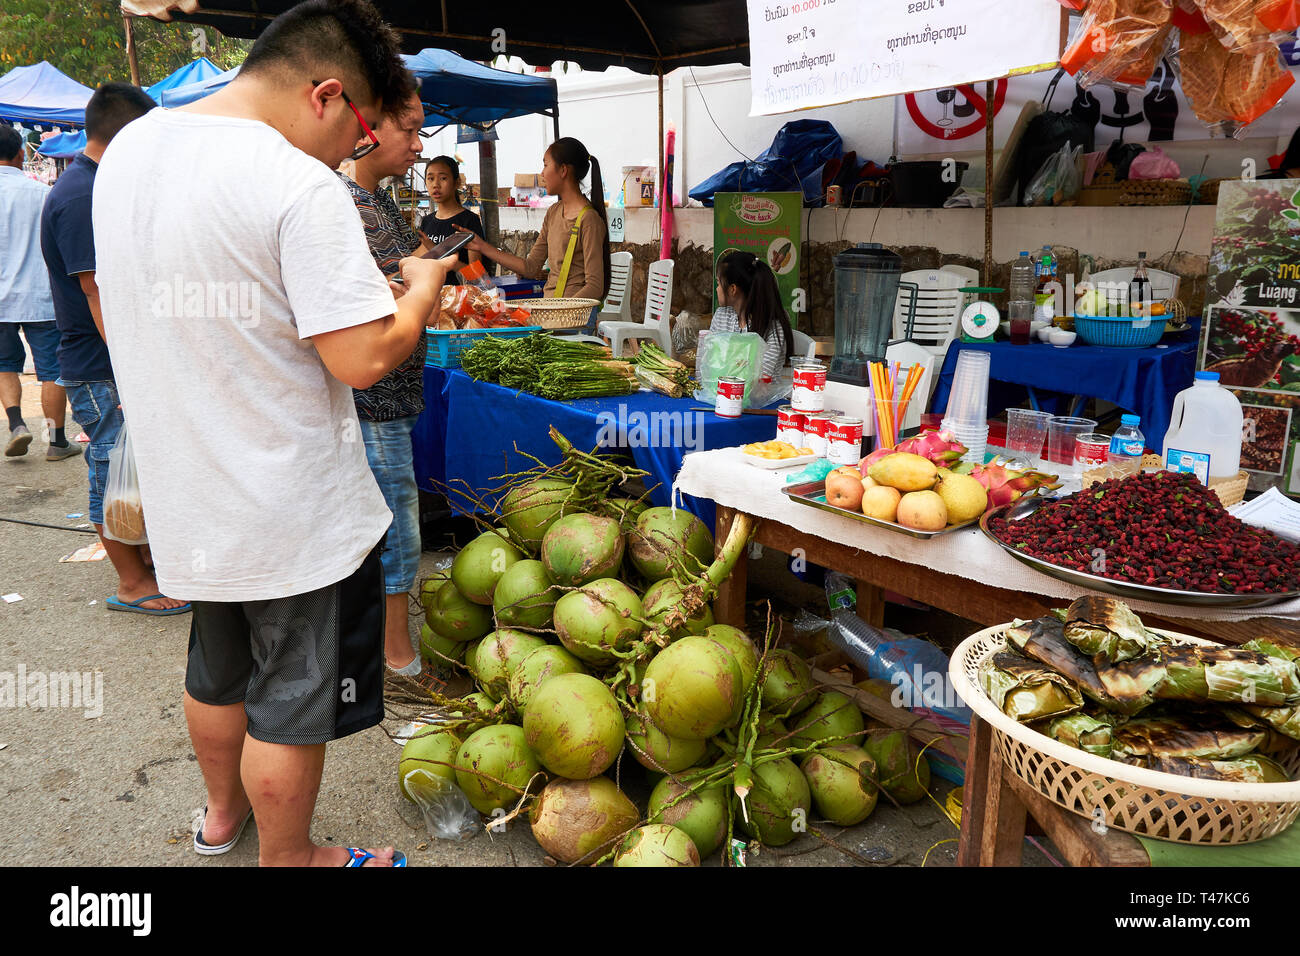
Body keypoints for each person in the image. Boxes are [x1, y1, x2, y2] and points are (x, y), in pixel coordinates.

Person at [93, 0, 453, 868]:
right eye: (361, 131)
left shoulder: (134, 146)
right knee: (292, 701)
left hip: (186, 488)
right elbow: (364, 358)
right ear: (326, 94)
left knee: (215, 672)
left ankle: (222, 818)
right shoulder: (299, 185)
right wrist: (422, 292)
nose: (354, 152)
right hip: (287, 508)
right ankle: (291, 858)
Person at [40, 82, 186, 616]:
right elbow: (95, 287)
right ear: (125, 133)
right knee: (112, 468)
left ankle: (145, 567)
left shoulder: (99, 185)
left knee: (133, 470)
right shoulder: (81, 194)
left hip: (111, 361)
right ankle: (130, 582)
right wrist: (134, 361)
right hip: (100, 365)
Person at [339, 89, 457, 677]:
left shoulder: (378, 203)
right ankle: (394, 653)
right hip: (374, 397)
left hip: (392, 392)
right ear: (370, 127)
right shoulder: (350, 206)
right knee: (396, 523)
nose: (418, 146)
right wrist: (425, 283)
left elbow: (422, 263)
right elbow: (415, 284)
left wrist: (426, 275)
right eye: (409, 132)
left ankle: (380, 643)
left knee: (389, 516)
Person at [459, 137, 610, 329]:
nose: (542, 173)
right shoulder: (554, 212)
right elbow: (530, 268)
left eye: (546, 165)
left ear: (563, 170)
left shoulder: (589, 220)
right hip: (551, 317)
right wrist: (482, 246)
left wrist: (561, 312)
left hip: (575, 321)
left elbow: (595, 286)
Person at [0, 125, 76, 460]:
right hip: (40, 298)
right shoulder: (42, 195)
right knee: (51, 370)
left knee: (4, 364)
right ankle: (56, 441)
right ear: (20, 154)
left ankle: (17, 424)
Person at [709, 250, 794, 380]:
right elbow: (709, 363)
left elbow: (760, 378)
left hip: (762, 398)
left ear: (732, 289)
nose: (717, 289)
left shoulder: (773, 322)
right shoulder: (722, 316)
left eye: (718, 283)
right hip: (721, 392)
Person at [419, 154, 484, 268]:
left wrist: (436, 251)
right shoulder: (426, 222)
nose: (435, 185)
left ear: (457, 182)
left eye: (443, 178)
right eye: (430, 179)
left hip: (459, 286)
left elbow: (477, 276)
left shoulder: (469, 221)